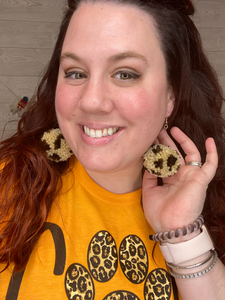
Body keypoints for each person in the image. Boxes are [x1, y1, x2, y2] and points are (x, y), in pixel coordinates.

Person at [0, 0, 225, 299]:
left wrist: (184, 234)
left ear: (171, 94)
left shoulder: (213, 204)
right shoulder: (8, 183)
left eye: (125, 74)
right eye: (76, 72)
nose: (92, 101)